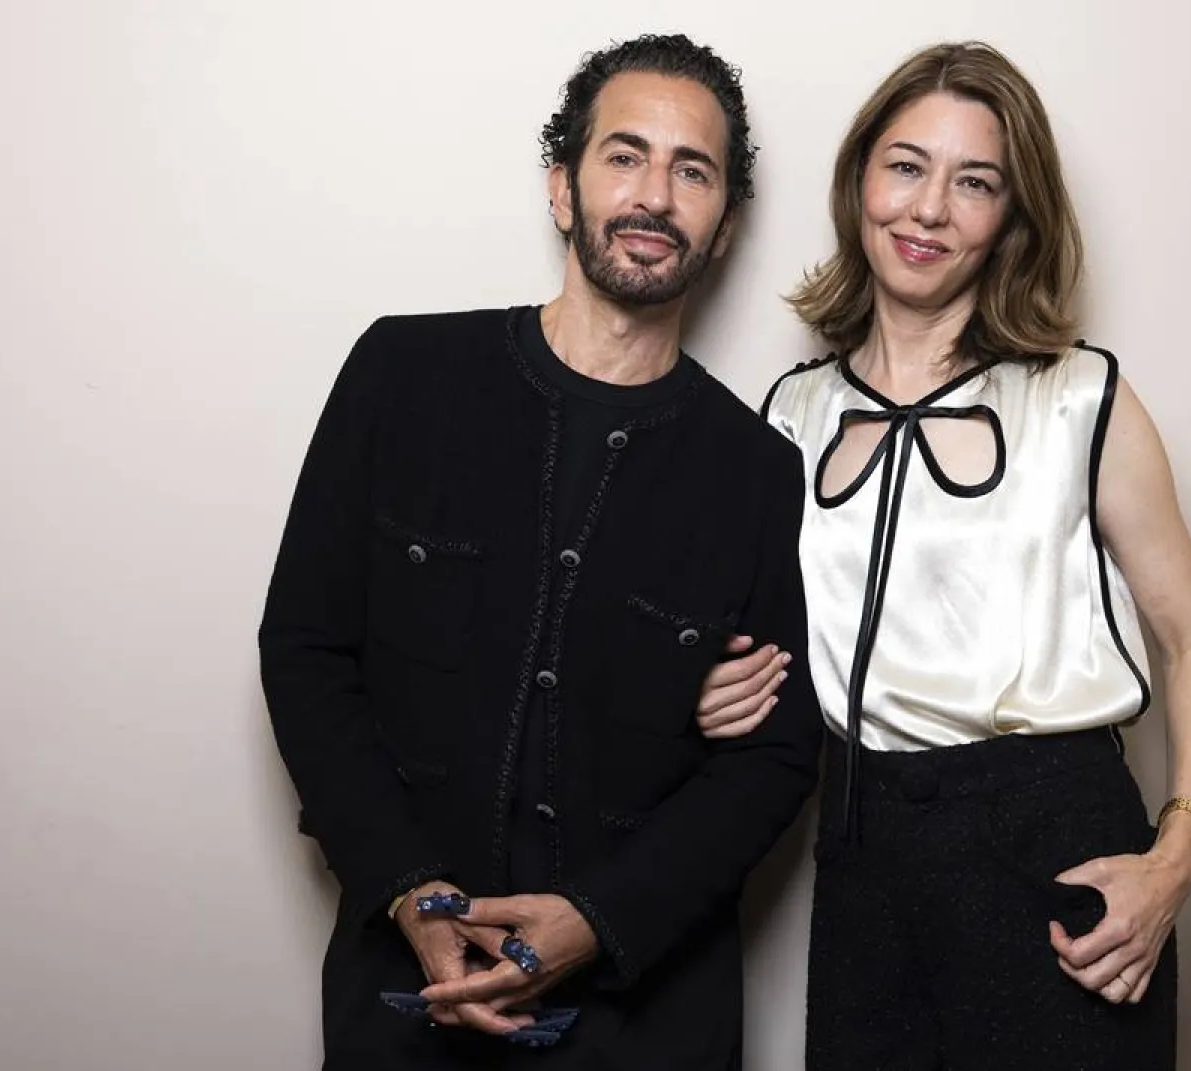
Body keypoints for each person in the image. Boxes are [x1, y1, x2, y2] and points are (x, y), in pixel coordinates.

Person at [258, 33, 822, 1071]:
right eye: (624, 155)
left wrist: (601, 917)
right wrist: (408, 889)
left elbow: (776, 756)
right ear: (562, 188)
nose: (654, 195)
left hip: (650, 1024)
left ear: (725, 226)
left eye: (692, 171)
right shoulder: (401, 374)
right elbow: (304, 649)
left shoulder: (757, 470)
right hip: (408, 998)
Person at [698, 41, 1191, 1070]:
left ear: (1012, 216)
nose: (930, 209)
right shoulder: (791, 415)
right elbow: (772, 643)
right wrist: (722, 686)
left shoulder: (1081, 398)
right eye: (906, 166)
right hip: (864, 851)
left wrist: (1176, 853)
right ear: (860, 180)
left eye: (975, 182)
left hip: (1058, 845)